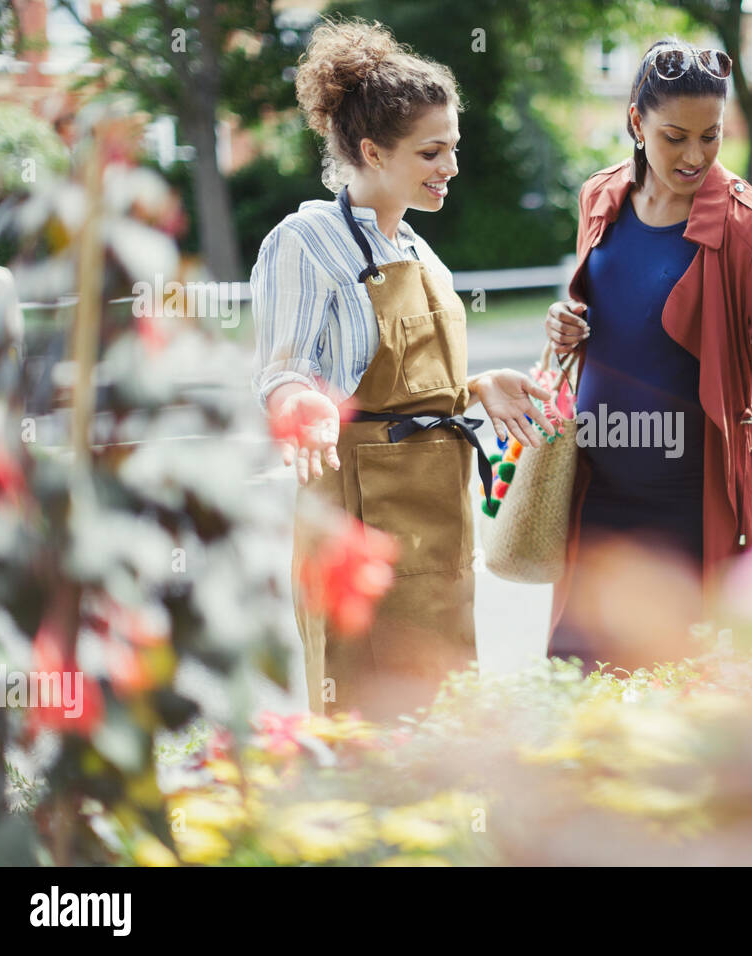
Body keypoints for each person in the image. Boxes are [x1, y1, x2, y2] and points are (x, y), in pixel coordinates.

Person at [251, 19, 550, 718]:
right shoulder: (305, 241)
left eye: (453, 147)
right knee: (367, 706)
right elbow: (282, 369)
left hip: (438, 512)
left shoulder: (417, 249)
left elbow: (417, 389)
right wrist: (299, 403)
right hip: (358, 510)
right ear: (371, 150)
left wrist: (477, 388)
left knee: (442, 702)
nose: (450, 165)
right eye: (431, 150)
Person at [542, 38, 752, 674]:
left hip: (694, 505)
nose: (695, 156)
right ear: (635, 122)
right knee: (584, 686)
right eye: (675, 136)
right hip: (597, 496)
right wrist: (570, 324)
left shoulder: (751, 226)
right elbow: (616, 317)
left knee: (685, 692)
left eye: (712, 136)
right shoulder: (599, 199)